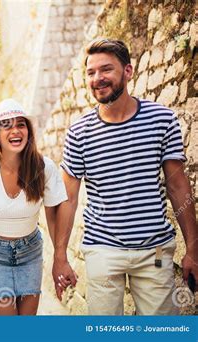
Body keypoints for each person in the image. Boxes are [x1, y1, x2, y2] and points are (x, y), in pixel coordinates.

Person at [54, 39, 198, 315]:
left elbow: (179, 186)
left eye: (106, 69)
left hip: (155, 250)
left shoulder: (162, 120)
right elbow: (68, 198)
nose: (97, 79)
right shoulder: (79, 132)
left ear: (128, 71)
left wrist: (193, 248)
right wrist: (60, 256)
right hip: (102, 250)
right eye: (91, 72)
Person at [0, 98, 68, 315]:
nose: (15, 130)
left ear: (28, 131)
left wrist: (60, 257)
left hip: (30, 253)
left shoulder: (44, 167)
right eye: (6, 125)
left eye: (20, 124)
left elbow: (56, 211)